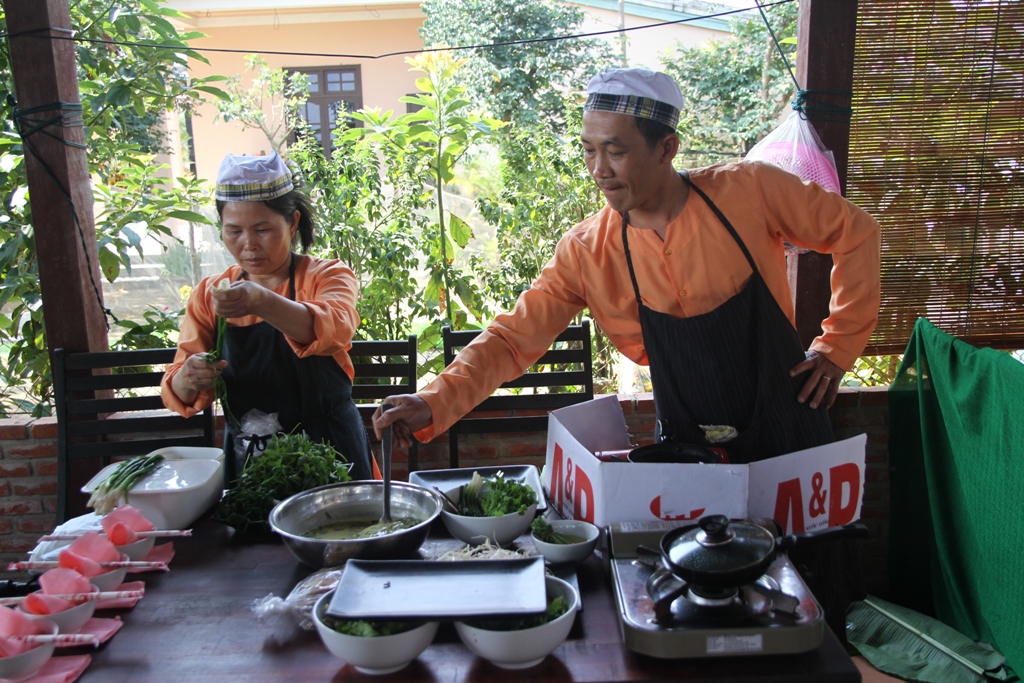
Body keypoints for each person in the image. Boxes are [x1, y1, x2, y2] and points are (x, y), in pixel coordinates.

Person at [375, 68, 881, 640]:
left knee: (812, 586)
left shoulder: (751, 190)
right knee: (704, 590)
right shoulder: (588, 250)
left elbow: (856, 231)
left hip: (790, 426)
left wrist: (838, 346)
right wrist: (433, 399)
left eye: (615, 151)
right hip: (692, 447)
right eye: (589, 150)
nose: (598, 170)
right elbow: (515, 337)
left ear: (667, 148)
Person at [161, 151, 372, 481]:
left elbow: (335, 327)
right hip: (251, 460)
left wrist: (260, 300)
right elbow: (179, 386)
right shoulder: (209, 294)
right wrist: (189, 377)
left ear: (293, 223)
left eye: (262, 230)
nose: (248, 245)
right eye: (234, 231)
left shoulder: (326, 276)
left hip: (331, 450)